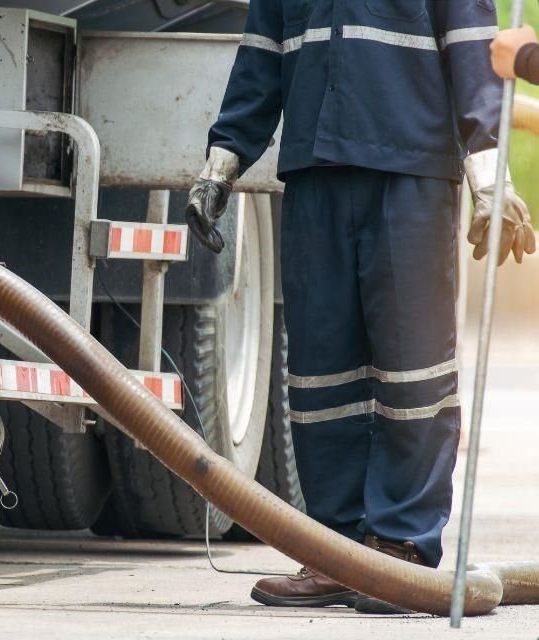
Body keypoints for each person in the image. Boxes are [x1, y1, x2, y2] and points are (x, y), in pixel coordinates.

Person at [186, 0, 536, 615]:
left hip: (410, 173)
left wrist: (491, 181)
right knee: (320, 378)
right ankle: (335, 550)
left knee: (415, 372)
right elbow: (260, 61)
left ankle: (399, 547)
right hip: (314, 174)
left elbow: (477, 56)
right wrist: (221, 165)